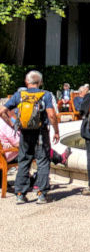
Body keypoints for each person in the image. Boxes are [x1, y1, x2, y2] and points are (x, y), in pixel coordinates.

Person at [0, 70, 60, 204]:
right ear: (40, 82)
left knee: (24, 161)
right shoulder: (45, 94)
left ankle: (20, 194)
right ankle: (41, 194)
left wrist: (13, 124)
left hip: (25, 133)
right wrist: (56, 131)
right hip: (41, 133)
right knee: (43, 161)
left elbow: (2, 111)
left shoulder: (19, 95)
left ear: (26, 82)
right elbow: (51, 115)